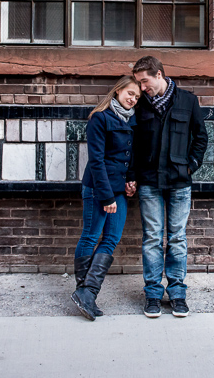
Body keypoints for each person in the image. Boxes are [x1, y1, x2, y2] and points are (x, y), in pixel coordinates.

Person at [130, 56, 208, 318]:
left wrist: (190, 166)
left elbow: (201, 138)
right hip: (149, 181)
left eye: (145, 81)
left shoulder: (188, 101)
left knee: (177, 238)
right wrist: (133, 175)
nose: (142, 88)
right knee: (152, 238)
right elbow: (133, 143)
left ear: (159, 74)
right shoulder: (140, 104)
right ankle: (153, 294)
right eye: (139, 83)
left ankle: (177, 294)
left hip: (179, 181)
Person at [71, 75, 140, 321]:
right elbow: (96, 161)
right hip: (98, 189)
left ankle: (88, 293)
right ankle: (83, 290)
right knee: (90, 237)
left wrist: (131, 180)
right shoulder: (100, 118)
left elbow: (129, 156)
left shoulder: (131, 120)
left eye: (137, 97)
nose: (133, 99)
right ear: (118, 90)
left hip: (118, 190)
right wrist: (107, 196)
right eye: (130, 93)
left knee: (111, 238)